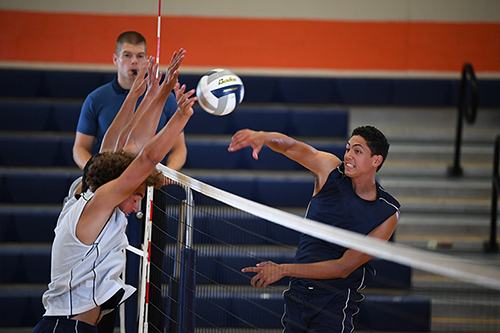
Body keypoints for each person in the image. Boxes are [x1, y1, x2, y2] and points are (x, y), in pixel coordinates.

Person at [33, 48, 197, 333]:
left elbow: (120, 144)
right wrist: (181, 116)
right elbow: (144, 158)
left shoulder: (88, 189)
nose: (137, 207)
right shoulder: (97, 203)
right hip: (66, 327)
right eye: (136, 198)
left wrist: (152, 96)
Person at [228, 126, 401, 332]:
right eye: (347, 149)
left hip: (335, 300)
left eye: (357, 151)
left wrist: (283, 269)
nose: (348, 156)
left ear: (376, 161)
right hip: (298, 291)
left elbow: (343, 267)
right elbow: (292, 147)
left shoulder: (387, 213)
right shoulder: (329, 169)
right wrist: (264, 137)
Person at [73, 31, 187, 172]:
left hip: (152, 183)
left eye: (140, 56)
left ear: (146, 60)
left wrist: (165, 175)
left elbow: (179, 149)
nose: (134, 61)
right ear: (115, 59)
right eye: (127, 55)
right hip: (107, 180)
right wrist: (94, 173)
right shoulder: (95, 99)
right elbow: (80, 148)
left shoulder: (166, 98)